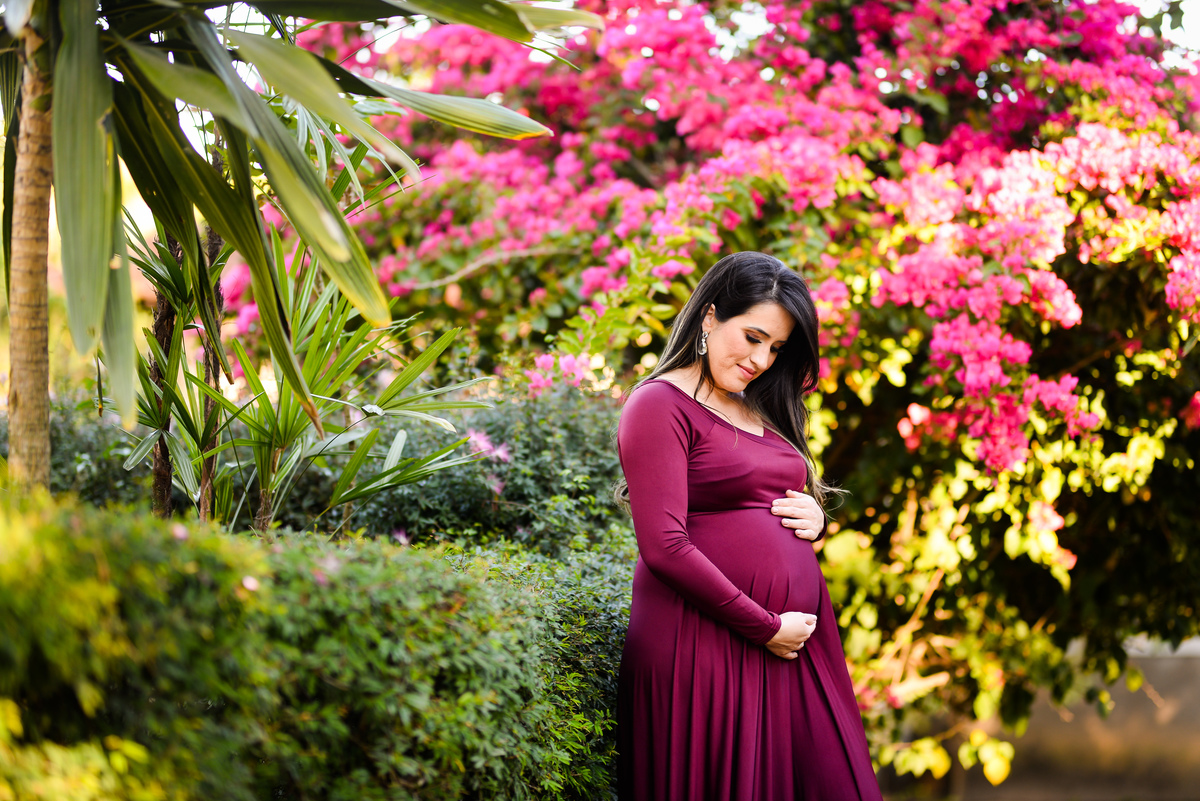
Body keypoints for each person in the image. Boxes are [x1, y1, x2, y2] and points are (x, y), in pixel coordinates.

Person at [615, 252, 883, 801]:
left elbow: (763, 500)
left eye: (777, 348)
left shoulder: (754, 407)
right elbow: (664, 546)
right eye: (753, 336)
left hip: (786, 640)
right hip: (704, 641)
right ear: (710, 318)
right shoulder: (658, 404)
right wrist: (762, 625)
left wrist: (815, 519)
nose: (761, 359)